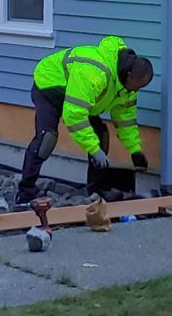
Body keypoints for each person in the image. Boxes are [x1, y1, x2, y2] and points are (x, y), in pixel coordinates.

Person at [16, 35, 153, 206]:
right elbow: (74, 115)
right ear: (129, 74)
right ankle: (25, 192)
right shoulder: (94, 73)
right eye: (136, 85)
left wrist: (135, 150)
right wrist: (94, 149)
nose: (136, 90)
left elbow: (125, 119)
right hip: (50, 85)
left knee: (101, 133)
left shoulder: (127, 87)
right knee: (47, 138)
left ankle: (96, 190)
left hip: (78, 94)